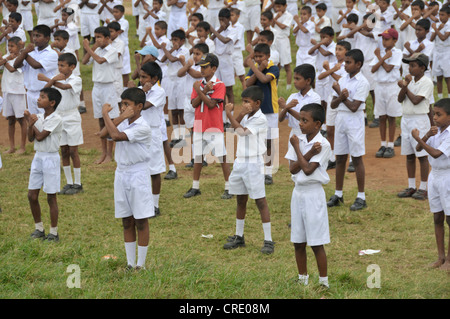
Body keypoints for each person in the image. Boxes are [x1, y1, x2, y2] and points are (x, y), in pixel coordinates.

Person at [99, 87, 153, 271]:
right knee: (126, 219)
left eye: (127, 104)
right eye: (122, 104)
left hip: (138, 174)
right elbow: (103, 134)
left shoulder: (143, 126)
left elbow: (114, 135)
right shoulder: (123, 122)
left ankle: (141, 264)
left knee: (141, 220)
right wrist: (118, 118)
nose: (123, 108)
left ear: (139, 106)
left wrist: (105, 114)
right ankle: (130, 263)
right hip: (121, 173)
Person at [223, 85, 275, 254]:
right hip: (240, 162)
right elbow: (231, 129)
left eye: (247, 102)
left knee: (260, 201)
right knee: (240, 199)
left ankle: (268, 240)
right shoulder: (246, 116)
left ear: (257, 103)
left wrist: (229, 114)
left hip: (253, 163)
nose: (244, 104)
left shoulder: (260, 119)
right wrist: (238, 114)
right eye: (242, 101)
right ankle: (239, 236)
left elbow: (242, 132)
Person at [285, 103, 331, 288]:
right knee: (298, 240)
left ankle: (323, 282)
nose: (301, 124)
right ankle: (302, 279)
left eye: (305, 120)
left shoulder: (324, 144)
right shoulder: (299, 140)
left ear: (317, 124)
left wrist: (300, 149)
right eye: (300, 120)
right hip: (298, 193)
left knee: (316, 242)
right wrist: (307, 151)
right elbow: (292, 168)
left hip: (313, 194)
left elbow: (308, 169)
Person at [183, 53, 232, 199]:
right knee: (198, 156)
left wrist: (200, 91)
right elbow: (193, 104)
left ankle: (229, 187)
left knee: (222, 157)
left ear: (214, 68)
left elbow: (211, 104)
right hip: (199, 125)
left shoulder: (219, 85)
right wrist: (202, 91)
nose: (202, 70)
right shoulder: (200, 84)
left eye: (205, 67)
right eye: (201, 67)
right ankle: (195, 186)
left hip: (213, 126)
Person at [328, 49, 370, 211]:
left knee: (357, 157)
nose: (345, 65)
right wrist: (340, 96)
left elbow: (354, 107)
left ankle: (361, 196)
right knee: (339, 157)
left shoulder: (363, 82)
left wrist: (340, 94)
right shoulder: (343, 79)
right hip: (340, 119)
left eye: (348, 62)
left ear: (358, 64)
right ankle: (338, 194)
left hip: (354, 121)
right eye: (345, 62)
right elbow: (333, 104)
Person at [411, 98, 450, 271]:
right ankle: (440, 257)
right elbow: (419, 150)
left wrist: (419, 138)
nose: (435, 118)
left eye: (439, 115)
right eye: (434, 114)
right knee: (437, 217)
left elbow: (434, 153)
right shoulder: (437, 132)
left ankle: (449, 260)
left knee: (449, 218)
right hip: (434, 176)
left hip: (447, 177)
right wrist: (426, 136)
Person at [39, 53, 83, 195]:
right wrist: (51, 80)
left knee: (73, 151)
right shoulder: (55, 78)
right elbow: (45, 91)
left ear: (72, 67)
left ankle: (78, 183)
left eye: (62, 65)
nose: (59, 68)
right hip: (60, 116)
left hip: (72, 116)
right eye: (58, 65)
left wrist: (48, 79)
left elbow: (64, 87)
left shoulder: (76, 79)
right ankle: (69, 182)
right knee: (63, 150)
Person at [24, 87, 63, 242]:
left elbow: (40, 136)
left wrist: (30, 122)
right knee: (32, 195)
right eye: (39, 96)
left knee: (50, 197)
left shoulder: (56, 119)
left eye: (42, 97)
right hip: (38, 157)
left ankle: (53, 232)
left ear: (52, 102)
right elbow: (31, 139)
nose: (38, 99)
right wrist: (30, 125)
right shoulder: (39, 117)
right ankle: (39, 228)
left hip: (51, 159)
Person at [397, 52, 433, 200]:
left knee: (422, 155)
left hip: (419, 120)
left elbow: (416, 100)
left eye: (413, 65)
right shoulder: (409, 82)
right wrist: (405, 86)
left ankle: (423, 187)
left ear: (422, 68)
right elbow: (400, 99)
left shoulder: (427, 82)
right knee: (409, 154)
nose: (410, 69)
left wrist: (405, 87)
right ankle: (411, 186)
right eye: (409, 65)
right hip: (406, 119)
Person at [82, 26, 120, 164]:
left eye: (99, 37)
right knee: (100, 118)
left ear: (107, 38)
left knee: (109, 118)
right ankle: (103, 152)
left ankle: (110, 153)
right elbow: (85, 61)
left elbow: (99, 60)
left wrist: (89, 48)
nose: (96, 40)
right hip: (97, 87)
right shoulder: (96, 49)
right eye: (95, 37)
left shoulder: (112, 51)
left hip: (108, 87)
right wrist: (90, 49)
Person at [244, 43, 280, 185]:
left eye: (261, 56)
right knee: (255, 140)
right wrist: (257, 68)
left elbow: (265, 80)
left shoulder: (273, 68)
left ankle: (268, 172)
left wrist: (253, 66)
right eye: (256, 56)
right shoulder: (256, 69)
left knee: (269, 141)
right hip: (255, 111)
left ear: (268, 56)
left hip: (270, 111)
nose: (258, 58)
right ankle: (256, 169)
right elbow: (248, 84)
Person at [137, 61, 166, 217]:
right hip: (139, 132)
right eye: (140, 77)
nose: (141, 80)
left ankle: (155, 205)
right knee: (141, 168)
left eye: (144, 77)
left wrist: (141, 91)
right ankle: (144, 201)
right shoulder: (141, 90)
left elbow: (142, 105)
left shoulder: (158, 91)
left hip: (152, 133)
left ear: (154, 78)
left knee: (154, 170)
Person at [316, 40, 350, 170]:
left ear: (347, 52)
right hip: (332, 98)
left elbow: (343, 81)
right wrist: (330, 69)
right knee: (330, 129)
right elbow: (320, 77)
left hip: (343, 99)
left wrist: (330, 70)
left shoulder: (348, 66)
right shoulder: (332, 65)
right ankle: (331, 158)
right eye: (336, 49)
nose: (337, 52)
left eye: (340, 49)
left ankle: (351, 159)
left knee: (346, 129)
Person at [370, 28, 403, 159]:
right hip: (380, 86)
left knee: (391, 116)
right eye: (383, 39)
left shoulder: (397, 52)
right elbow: (373, 69)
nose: (384, 41)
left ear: (395, 40)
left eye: (387, 39)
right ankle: (383, 144)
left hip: (391, 86)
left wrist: (380, 57)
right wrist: (381, 57)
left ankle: (390, 145)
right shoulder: (380, 52)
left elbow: (389, 69)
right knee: (382, 116)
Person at [14, 24, 59, 115]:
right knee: (33, 121)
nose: (35, 38)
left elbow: (36, 65)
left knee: (45, 122)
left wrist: (25, 52)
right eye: (33, 35)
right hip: (30, 92)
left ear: (47, 38)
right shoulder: (31, 52)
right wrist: (25, 53)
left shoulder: (51, 53)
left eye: (38, 36)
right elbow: (16, 65)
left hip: (45, 94)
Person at [178, 42, 208, 168]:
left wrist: (185, 64)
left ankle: (202, 157)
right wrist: (186, 65)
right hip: (187, 101)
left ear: (204, 56)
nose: (195, 56)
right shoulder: (190, 66)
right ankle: (196, 156)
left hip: (198, 101)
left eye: (198, 54)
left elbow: (196, 75)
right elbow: (179, 73)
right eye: (194, 53)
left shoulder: (203, 68)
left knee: (199, 129)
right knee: (192, 129)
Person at [160, 29, 190, 148]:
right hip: (171, 82)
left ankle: (183, 137)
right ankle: (176, 136)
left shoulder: (185, 51)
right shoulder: (171, 50)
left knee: (181, 110)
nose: (173, 42)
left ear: (183, 41)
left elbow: (172, 59)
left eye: (176, 40)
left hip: (181, 81)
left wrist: (164, 49)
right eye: (172, 40)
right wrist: (169, 49)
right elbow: (163, 60)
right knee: (173, 110)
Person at [279, 63, 321, 140]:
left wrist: (286, 107)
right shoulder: (292, 96)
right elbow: (280, 119)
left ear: (308, 81)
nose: (294, 82)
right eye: (294, 78)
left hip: (308, 135)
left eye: (297, 79)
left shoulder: (315, 98)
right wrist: (285, 108)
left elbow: (306, 119)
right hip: (294, 133)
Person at [1, 36, 27, 155]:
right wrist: (4, 59)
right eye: (8, 46)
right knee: (10, 120)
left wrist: (4, 60)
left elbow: (12, 69)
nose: (10, 48)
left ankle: (22, 146)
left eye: (12, 46)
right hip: (7, 91)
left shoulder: (22, 58)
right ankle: (12, 147)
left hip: (18, 92)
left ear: (19, 46)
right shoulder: (7, 57)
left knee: (21, 119)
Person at [210, 8, 238, 107]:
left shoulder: (233, 30)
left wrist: (214, 31)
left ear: (229, 19)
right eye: (220, 19)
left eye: (223, 19)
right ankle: (222, 116)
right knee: (218, 88)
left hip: (227, 60)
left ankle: (230, 116)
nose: (221, 22)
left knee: (229, 90)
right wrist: (218, 30)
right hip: (217, 60)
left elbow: (225, 40)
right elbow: (210, 40)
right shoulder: (218, 29)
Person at [272, 0, 293, 90]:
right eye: (276, 7)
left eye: (280, 7)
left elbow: (283, 26)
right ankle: (275, 86)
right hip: (276, 40)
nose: (278, 9)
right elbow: (271, 25)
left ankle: (288, 86)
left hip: (284, 41)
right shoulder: (274, 15)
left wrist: (275, 19)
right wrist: (275, 18)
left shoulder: (289, 15)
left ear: (285, 6)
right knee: (277, 64)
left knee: (287, 64)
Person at [430, 5, 450, 102]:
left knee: (447, 77)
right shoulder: (438, 24)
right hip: (437, 52)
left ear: (449, 16)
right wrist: (435, 28)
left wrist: (437, 29)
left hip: (446, 52)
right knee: (438, 76)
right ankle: (440, 98)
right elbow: (431, 39)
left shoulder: (449, 25)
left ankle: (449, 98)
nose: (440, 17)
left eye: (443, 15)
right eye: (439, 15)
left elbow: (443, 38)